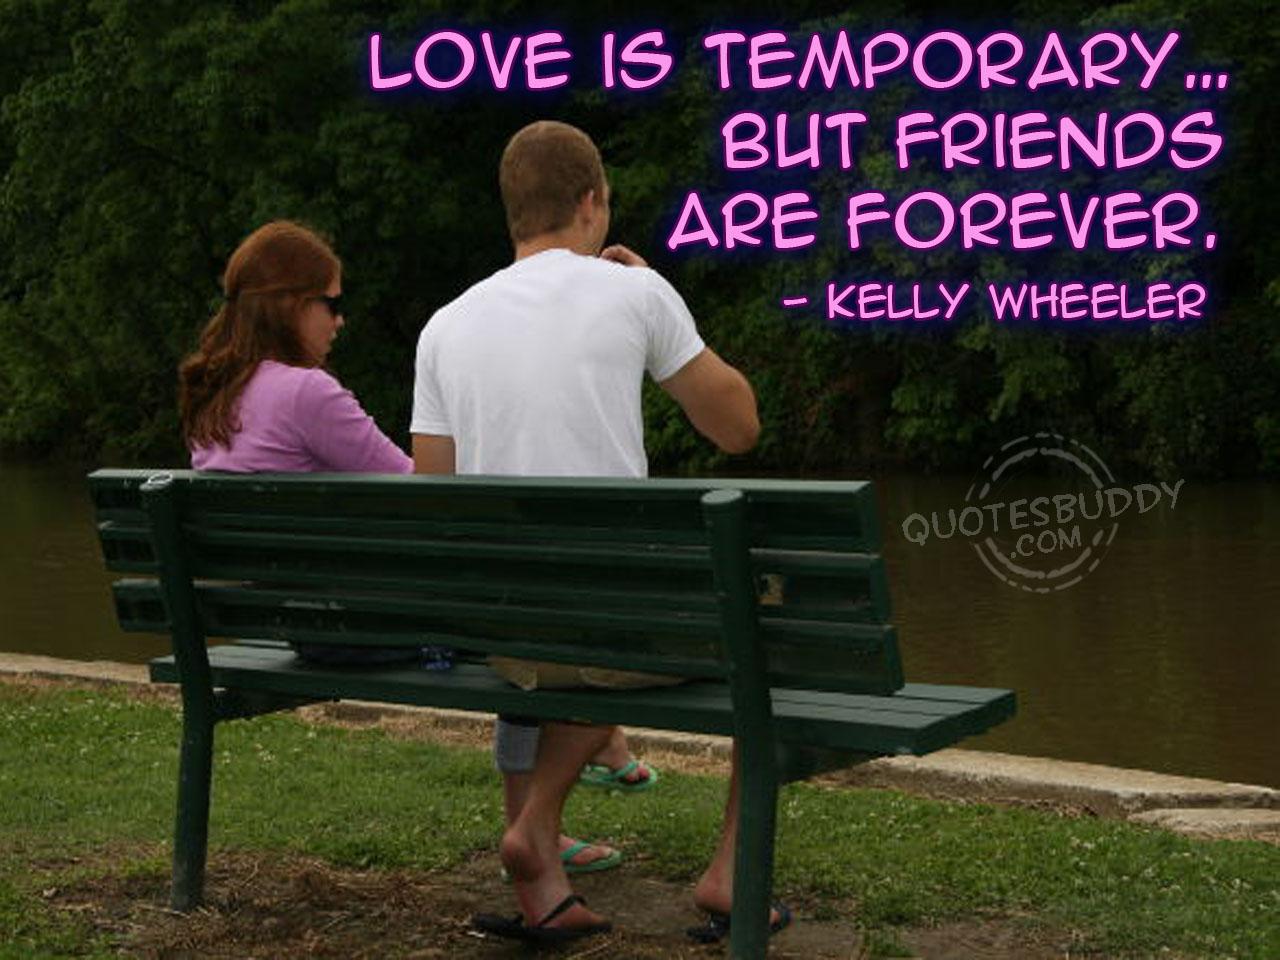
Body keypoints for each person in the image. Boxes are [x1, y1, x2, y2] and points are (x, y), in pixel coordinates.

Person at [411, 121, 780, 944]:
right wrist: (657, 292)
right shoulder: (634, 294)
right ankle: (727, 872)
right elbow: (739, 428)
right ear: (591, 202)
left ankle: (538, 841)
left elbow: (433, 496)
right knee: (766, 635)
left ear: (513, 212)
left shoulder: (444, 325)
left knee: (581, 619)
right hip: (608, 633)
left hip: (507, 639)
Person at [178, 219, 416, 665]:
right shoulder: (305, 392)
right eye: (332, 303)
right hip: (349, 625)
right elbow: (420, 492)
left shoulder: (212, 396)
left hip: (284, 620)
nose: (340, 320)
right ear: (291, 305)